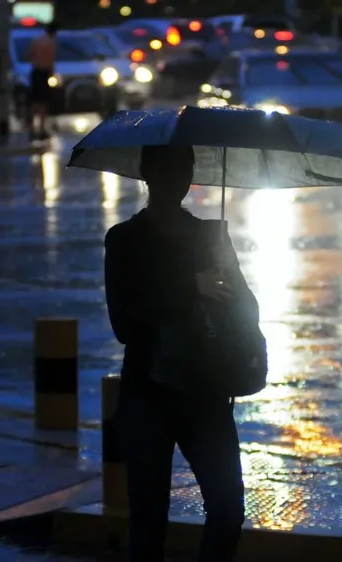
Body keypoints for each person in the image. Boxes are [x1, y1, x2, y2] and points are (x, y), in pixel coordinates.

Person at [103, 145, 249, 562]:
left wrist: (228, 291)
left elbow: (244, 308)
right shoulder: (125, 240)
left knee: (228, 509)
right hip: (147, 394)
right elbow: (124, 325)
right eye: (165, 170)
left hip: (206, 392)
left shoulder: (211, 237)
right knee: (148, 524)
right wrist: (190, 288)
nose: (176, 179)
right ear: (147, 174)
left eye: (183, 169)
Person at [27, 22, 58, 139]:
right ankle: (41, 129)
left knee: (34, 101)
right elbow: (50, 61)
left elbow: (30, 55)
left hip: (35, 72)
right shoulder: (50, 43)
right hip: (44, 73)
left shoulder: (37, 40)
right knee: (44, 102)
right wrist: (52, 74)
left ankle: (31, 129)